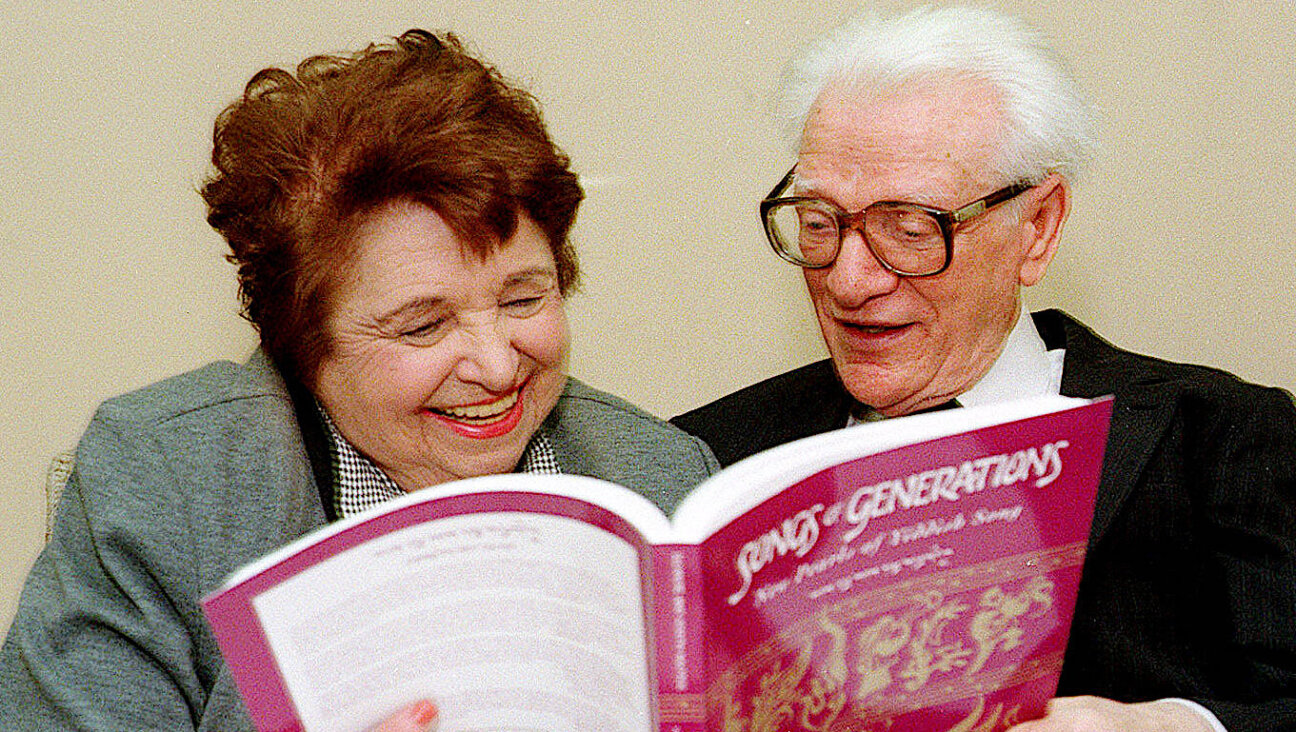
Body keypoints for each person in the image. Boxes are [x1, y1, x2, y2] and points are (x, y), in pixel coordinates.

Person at [0, 30, 717, 731]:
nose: (499, 366)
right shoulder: (172, 485)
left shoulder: (658, 477)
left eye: (524, 298)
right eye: (422, 326)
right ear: (301, 346)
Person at [672, 6, 1296, 732]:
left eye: (910, 230)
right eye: (818, 223)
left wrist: (1166, 726)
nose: (848, 281)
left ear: (1037, 227)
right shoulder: (707, 455)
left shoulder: (1216, 439)